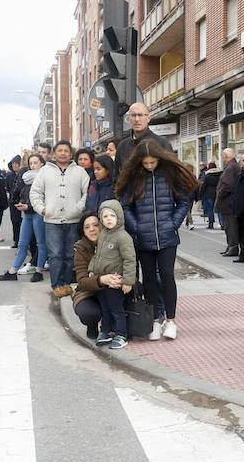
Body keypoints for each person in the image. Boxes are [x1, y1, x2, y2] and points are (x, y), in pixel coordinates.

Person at [117, 140, 199, 341]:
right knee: (149, 280)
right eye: (146, 163)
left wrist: (173, 223)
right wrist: (136, 227)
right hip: (143, 238)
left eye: (153, 162)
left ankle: (170, 320)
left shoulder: (169, 174)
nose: (150, 166)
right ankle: (154, 320)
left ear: (159, 159)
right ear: (139, 162)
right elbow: (125, 205)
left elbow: (183, 201)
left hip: (167, 237)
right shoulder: (134, 177)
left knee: (167, 277)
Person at [30, 140, 92, 298]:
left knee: (70, 254)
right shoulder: (44, 171)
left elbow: (88, 192)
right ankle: (57, 284)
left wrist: (78, 208)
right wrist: (42, 209)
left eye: (66, 150)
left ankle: (66, 283)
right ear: (54, 154)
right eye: (60, 150)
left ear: (71, 154)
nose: (63, 153)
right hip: (52, 220)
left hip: (74, 220)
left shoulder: (79, 172)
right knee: (55, 254)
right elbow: (35, 193)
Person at [89, 200, 137, 350]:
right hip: (102, 280)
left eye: (112, 215)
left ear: (120, 217)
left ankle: (121, 334)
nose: (109, 219)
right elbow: (97, 255)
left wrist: (128, 282)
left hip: (116, 281)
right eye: (105, 216)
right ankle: (105, 331)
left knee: (116, 309)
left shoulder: (123, 237)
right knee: (105, 308)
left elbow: (129, 260)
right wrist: (92, 269)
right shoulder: (103, 234)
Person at [0, 154, 47, 283]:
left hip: (38, 213)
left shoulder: (45, 177)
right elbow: (22, 194)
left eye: (36, 162)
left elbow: (44, 198)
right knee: (22, 243)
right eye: (31, 163)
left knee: (41, 244)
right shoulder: (26, 177)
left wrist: (28, 205)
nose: (33, 165)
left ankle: (39, 271)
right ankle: (12, 272)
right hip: (27, 213)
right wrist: (21, 203)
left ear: (42, 163)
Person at [73, 213, 121, 340]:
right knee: (88, 313)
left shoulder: (116, 241)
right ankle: (92, 324)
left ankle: (115, 328)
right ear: (83, 231)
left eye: (95, 225)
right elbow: (82, 281)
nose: (92, 229)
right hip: (89, 292)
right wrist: (101, 279)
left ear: (103, 226)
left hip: (114, 288)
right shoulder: (80, 248)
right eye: (87, 227)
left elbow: (129, 265)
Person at [115, 102, 173, 174]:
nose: (137, 119)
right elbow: (116, 175)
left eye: (140, 115)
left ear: (148, 118)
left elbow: (171, 174)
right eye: (133, 115)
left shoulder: (162, 143)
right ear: (129, 119)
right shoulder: (123, 146)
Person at [215, 148, 240, 256]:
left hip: (228, 203)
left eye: (223, 156)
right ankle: (230, 246)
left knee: (231, 227)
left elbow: (228, 185)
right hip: (228, 203)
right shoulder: (232, 166)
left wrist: (220, 194)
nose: (222, 158)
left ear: (226, 156)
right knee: (228, 226)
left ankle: (233, 247)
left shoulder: (231, 167)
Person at [6, 156, 23, 248]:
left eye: (17, 164)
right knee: (15, 222)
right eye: (13, 164)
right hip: (13, 202)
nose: (15, 166)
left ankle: (26, 242)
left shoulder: (24, 174)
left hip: (24, 202)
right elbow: (8, 188)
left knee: (23, 222)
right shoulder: (9, 176)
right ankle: (16, 241)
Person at [199, 162, 220, 229]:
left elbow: (204, 186)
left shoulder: (207, 176)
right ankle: (222, 224)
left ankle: (211, 224)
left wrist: (200, 194)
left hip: (209, 194)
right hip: (217, 193)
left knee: (210, 210)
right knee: (219, 209)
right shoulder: (220, 174)